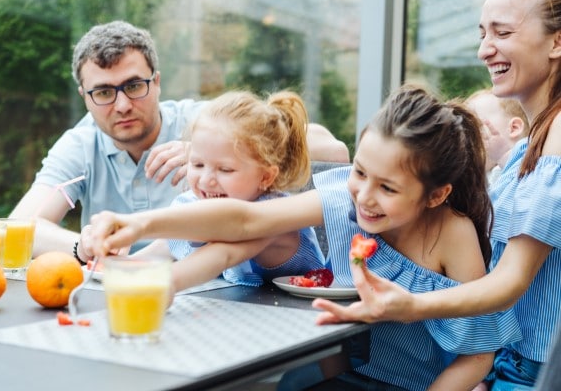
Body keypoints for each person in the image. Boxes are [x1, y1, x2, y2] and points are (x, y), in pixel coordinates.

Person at [88, 84, 521, 391]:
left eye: (388, 188)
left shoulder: (453, 234)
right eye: (360, 173)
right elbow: (245, 221)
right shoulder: (343, 198)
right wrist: (142, 224)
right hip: (349, 374)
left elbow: (478, 356)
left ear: (437, 194)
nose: (365, 198)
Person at [310, 0, 561, 389]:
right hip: (509, 367)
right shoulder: (531, 144)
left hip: (532, 373)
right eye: (482, 34)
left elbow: (512, 280)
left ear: (557, 41)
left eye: (503, 32)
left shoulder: (557, 137)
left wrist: (412, 305)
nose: (484, 49)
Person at [8, 20, 350, 261]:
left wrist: (205, 152)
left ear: (156, 82)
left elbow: (333, 150)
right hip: (116, 286)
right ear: (85, 96)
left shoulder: (202, 124)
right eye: (103, 92)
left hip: (211, 290)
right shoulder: (81, 145)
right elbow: (20, 228)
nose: (123, 104)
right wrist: (86, 246)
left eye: (134, 85)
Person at [150, 89, 325, 291]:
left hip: (305, 314)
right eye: (197, 165)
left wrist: (165, 284)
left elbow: (222, 253)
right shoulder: (193, 203)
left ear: (266, 177)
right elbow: (169, 244)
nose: (206, 180)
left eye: (225, 169)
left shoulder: (274, 215)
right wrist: (117, 261)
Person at [466, 88, 529, 186]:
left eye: (476, 124)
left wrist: (502, 155)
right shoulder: (483, 177)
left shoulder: (530, 164)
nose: (468, 134)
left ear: (514, 128)